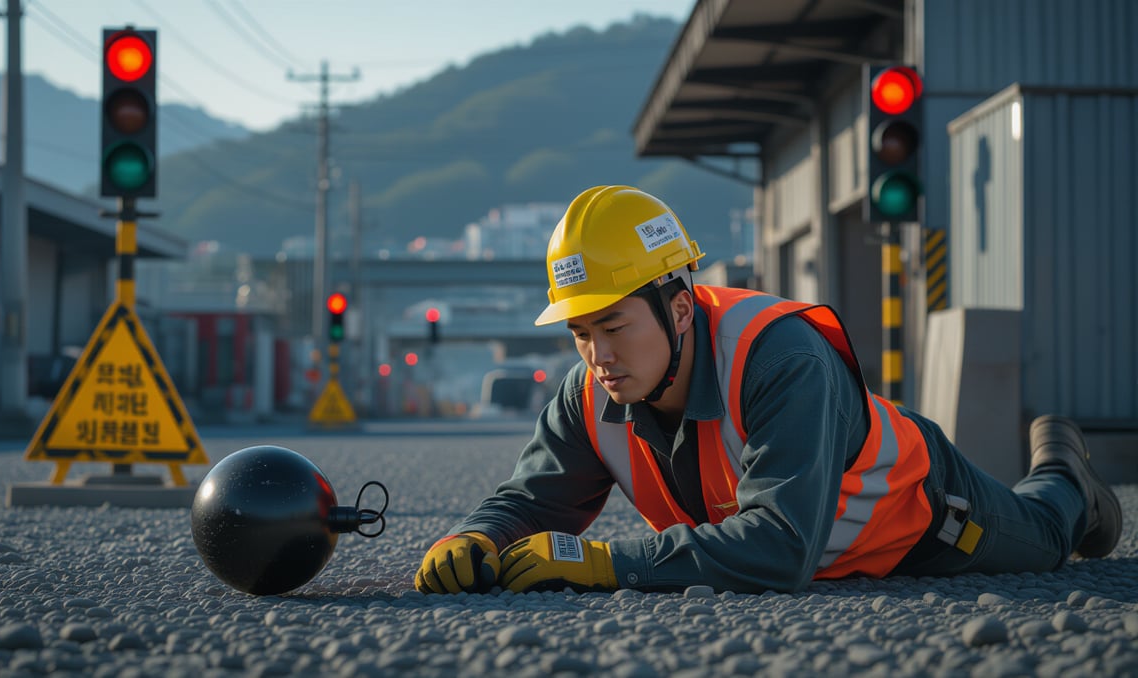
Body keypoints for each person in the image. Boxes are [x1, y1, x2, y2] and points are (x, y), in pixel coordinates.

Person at [414, 185, 1123, 595]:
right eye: (578, 332)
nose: (596, 355)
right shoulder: (591, 393)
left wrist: (605, 562)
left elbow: (783, 545)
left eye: (612, 326)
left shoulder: (781, 359)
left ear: (680, 308)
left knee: (1049, 539)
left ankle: (1066, 476)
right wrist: (476, 536)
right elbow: (531, 499)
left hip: (927, 515)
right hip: (842, 537)